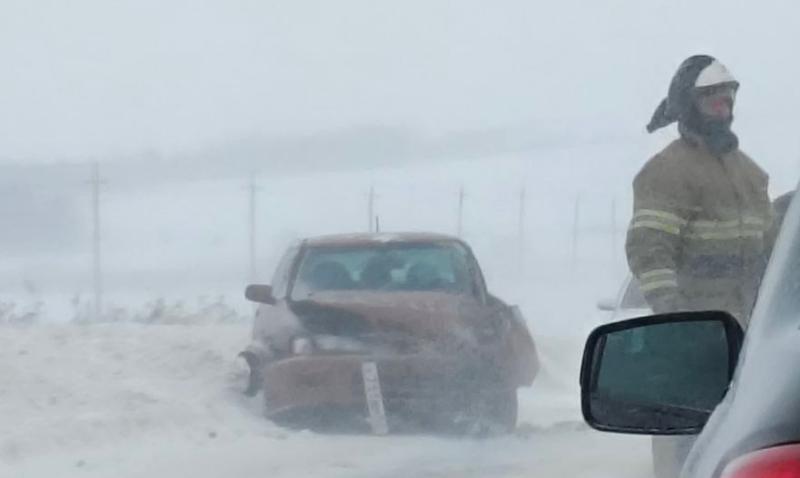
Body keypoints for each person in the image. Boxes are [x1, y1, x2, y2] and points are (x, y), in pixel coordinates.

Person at [625, 55, 776, 478]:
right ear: (690, 105)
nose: (723, 107)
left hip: (750, 336)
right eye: (713, 100)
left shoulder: (750, 174)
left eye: (728, 99)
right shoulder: (667, 173)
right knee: (692, 444)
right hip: (696, 337)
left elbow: (770, 255)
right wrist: (676, 317)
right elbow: (648, 248)